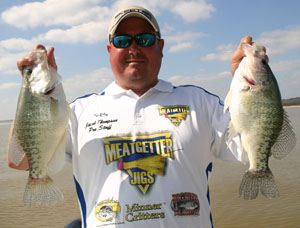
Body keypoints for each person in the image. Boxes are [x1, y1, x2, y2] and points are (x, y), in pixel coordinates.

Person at [8, 5, 259, 228]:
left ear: (161, 47)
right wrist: (29, 91)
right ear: (109, 49)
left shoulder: (200, 103)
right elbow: (20, 161)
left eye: (145, 39)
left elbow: (253, 148)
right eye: (122, 40)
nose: (134, 48)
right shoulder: (78, 112)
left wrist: (248, 86)